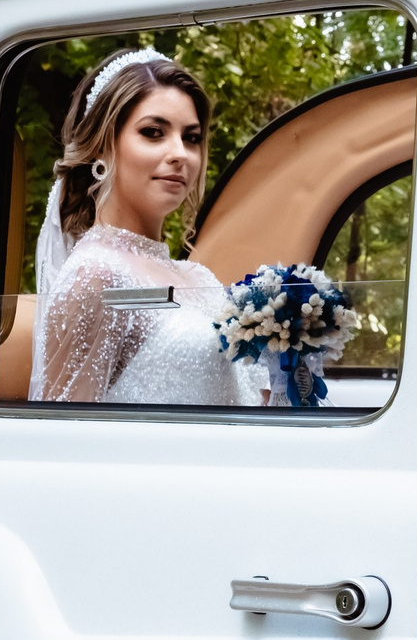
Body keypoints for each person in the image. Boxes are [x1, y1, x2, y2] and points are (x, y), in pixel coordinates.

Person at [33, 48, 265, 405]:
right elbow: (65, 434)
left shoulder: (198, 277)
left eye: (192, 138)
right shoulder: (95, 276)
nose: (180, 154)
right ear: (103, 147)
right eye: (153, 132)